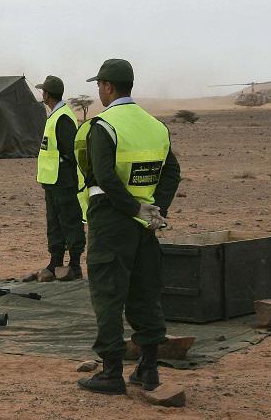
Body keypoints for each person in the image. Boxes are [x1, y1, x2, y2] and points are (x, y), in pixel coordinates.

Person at [73, 59, 181, 395]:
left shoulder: (103, 125)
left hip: (111, 220)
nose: (98, 92)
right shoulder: (155, 126)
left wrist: (133, 207)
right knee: (145, 292)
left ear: (107, 86)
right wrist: (153, 209)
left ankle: (111, 372)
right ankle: (148, 370)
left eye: (99, 86)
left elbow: (104, 176)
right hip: (144, 225)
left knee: (108, 294)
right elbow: (172, 172)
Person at [34, 75, 85, 281]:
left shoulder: (63, 117)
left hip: (64, 181)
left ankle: (74, 264)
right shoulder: (55, 115)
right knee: (54, 222)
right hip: (52, 180)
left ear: (47, 94)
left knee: (70, 221)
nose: (42, 95)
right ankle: (56, 261)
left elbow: (70, 150)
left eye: (43, 91)